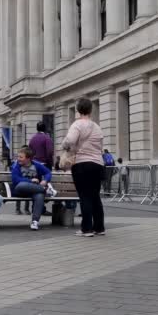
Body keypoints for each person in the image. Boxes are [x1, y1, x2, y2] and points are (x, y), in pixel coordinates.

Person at [62, 98, 105, 237]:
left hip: (82, 163)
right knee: (95, 196)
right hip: (98, 164)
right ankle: (99, 227)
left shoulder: (77, 124)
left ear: (78, 110)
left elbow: (69, 141)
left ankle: (86, 229)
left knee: (85, 196)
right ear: (90, 110)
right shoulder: (97, 127)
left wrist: (65, 147)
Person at [11, 147, 52, 230]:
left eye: (21, 157)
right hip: (20, 190)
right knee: (21, 185)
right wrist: (30, 180)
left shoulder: (36, 165)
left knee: (40, 196)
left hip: (33, 191)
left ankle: (35, 221)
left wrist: (45, 180)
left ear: (28, 158)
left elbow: (48, 172)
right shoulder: (16, 166)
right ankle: (45, 190)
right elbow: (15, 180)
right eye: (18, 157)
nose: (18, 159)